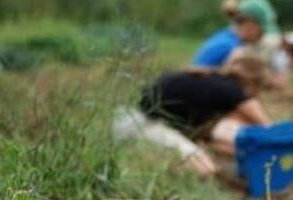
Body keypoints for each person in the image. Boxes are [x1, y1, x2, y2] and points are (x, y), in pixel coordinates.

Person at [113, 52, 271, 176]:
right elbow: (268, 128)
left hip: (130, 120)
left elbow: (206, 135)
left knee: (207, 158)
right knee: (205, 168)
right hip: (140, 127)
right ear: (253, 82)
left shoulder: (215, 81)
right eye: (260, 88)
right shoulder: (233, 90)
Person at [193, 0, 279, 69]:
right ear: (249, 23)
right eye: (262, 31)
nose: (262, 36)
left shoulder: (227, 37)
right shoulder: (229, 47)